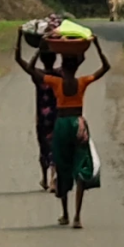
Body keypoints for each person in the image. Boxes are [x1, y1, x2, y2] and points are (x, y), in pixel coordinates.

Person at [15, 29, 110, 229]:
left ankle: (65, 214)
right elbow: (105, 67)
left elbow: (29, 68)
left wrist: (39, 49)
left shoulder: (55, 82)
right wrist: (97, 46)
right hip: (78, 124)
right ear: (75, 67)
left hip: (62, 125)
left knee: (62, 166)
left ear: (63, 67)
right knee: (81, 167)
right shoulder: (82, 82)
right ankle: (77, 217)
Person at [28, 47, 60, 192]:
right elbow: (78, 60)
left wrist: (38, 51)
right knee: (56, 147)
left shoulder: (39, 75)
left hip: (42, 118)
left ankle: (45, 179)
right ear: (55, 59)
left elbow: (28, 67)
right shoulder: (59, 74)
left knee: (44, 148)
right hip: (57, 115)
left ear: (42, 59)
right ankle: (54, 178)